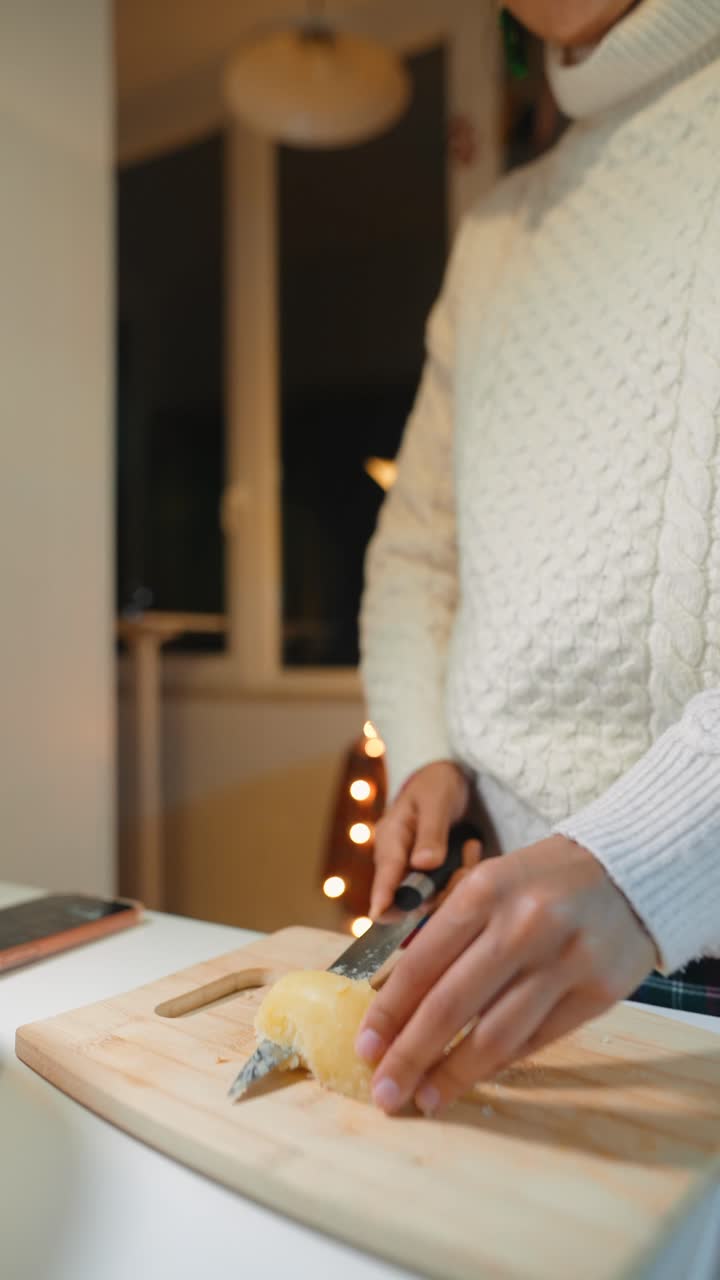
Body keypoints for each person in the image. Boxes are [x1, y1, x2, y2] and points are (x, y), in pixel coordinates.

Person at [356, 0, 720, 1118]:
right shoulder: (495, 238)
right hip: (509, 971)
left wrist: (647, 858)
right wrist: (424, 751)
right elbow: (417, 555)